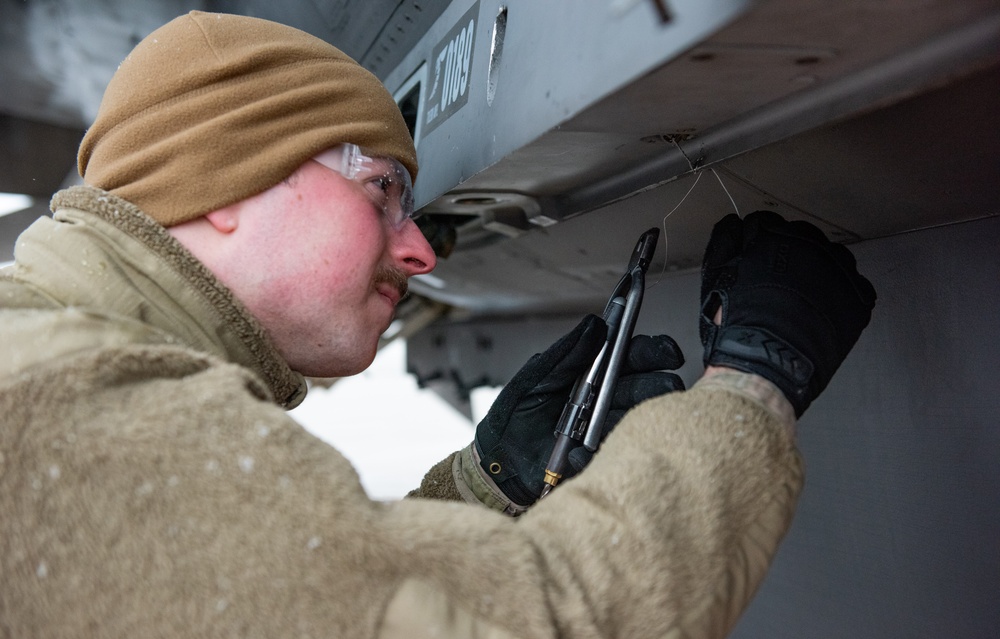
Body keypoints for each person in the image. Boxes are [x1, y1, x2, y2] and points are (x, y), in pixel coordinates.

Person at [0, 10, 876, 639]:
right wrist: (752, 383)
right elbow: (538, 620)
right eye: (382, 191)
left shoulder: (50, 368)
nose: (420, 250)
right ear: (227, 185)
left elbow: (302, 595)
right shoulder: (80, 414)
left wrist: (483, 485)